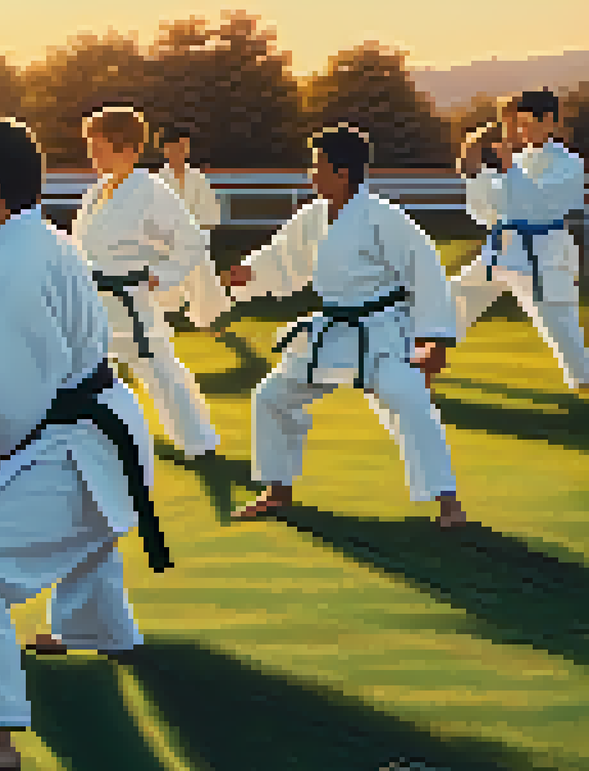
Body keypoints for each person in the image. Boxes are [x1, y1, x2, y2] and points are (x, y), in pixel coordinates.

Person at [0, 118, 169, 771]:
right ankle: (99, 630)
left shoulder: (16, 263)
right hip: (94, 439)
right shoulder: (36, 239)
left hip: (78, 454)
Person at [226, 125, 468, 528]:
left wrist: (435, 341)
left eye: (317, 166)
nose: (311, 174)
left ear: (342, 172)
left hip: (382, 330)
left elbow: (426, 272)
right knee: (271, 396)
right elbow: (283, 257)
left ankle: (448, 502)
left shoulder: (383, 217)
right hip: (335, 331)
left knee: (409, 399)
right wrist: (249, 273)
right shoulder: (314, 216)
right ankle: (277, 490)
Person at [69, 106, 220, 458]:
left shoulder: (151, 191)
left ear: (126, 148)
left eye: (98, 146)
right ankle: (92, 439)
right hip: (93, 301)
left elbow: (192, 241)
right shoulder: (98, 192)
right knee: (80, 371)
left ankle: (199, 442)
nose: (91, 154)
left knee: (161, 372)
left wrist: (162, 276)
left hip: (129, 299)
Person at [451, 90, 587, 392]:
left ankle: (585, 380)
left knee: (561, 326)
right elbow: (486, 212)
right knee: (454, 298)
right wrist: (475, 174)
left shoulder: (568, 165)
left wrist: (508, 169)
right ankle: (417, 360)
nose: (516, 132)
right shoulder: (516, 161)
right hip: (502, 250)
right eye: (512, 124)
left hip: (543, 255)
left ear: (549, 121)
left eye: (523, 123)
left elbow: (538, 204)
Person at [152, 123, 232, 333]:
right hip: (164, 242)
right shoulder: (157, 181)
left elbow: (210, 211)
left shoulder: (197, 179)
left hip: (193, 240)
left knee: (203, 280)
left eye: (183, 147)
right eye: (174, 148)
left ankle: (208, 322)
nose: (179, 152)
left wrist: (195, 231)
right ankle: (159, 322)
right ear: (165, 150)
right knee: (161, 280)